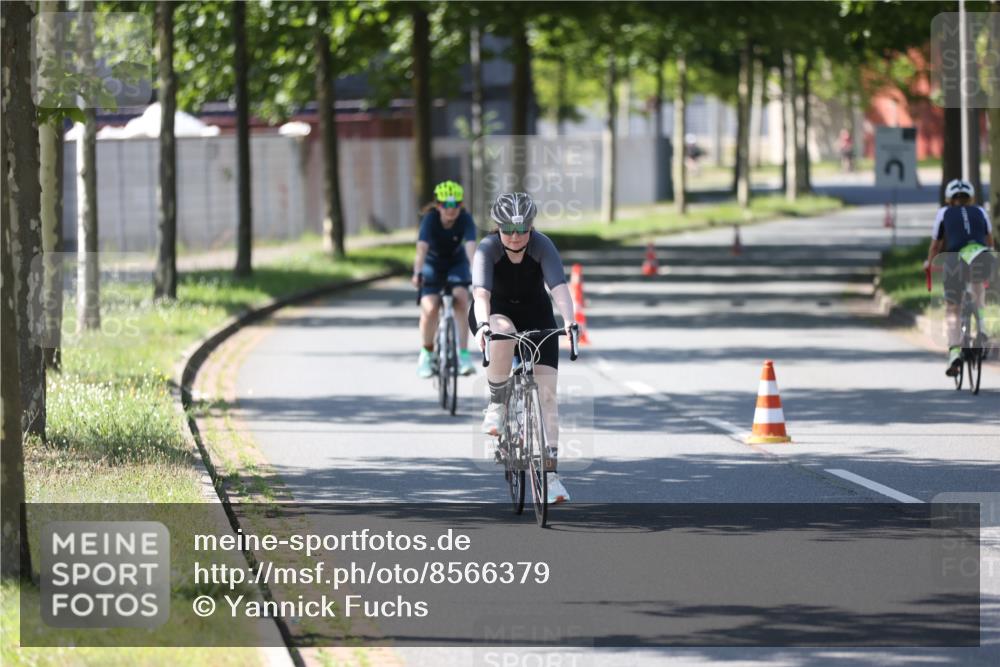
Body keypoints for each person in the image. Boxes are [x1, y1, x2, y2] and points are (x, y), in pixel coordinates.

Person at [469, 192, 575, 504]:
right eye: (508, 230)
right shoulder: (487, 249)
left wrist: (570, 321)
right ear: (497, 227)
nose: (515, 236)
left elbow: (559, 288)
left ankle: (550, 475)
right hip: (495, 312)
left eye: (522, 229)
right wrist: (483, 325)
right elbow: (481, 295)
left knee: (548, 397)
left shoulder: (542, 245)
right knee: (504, 332)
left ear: (531, 227)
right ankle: (497, 404)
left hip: (536, 313)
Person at [924, 179, 995, 376]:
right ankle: (982, 327)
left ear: (949, 199)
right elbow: (990, 241)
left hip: (955, 260)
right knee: (978, 290)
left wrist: (929, 264)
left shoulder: (943, 213)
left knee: (953, 308)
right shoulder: (980, 211)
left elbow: (935, 246)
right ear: (971, 197)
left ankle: (955, 352)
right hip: (981, 255)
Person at [412, 180, 478, 378]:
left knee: (462, 298)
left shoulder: (465, 219)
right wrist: (417, 272)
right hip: (432, 264)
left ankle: (464, 355)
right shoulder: (430, 219)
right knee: (430, 307)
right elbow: (422, 248)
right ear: (438, 205)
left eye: (455, 204)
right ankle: (426, 353)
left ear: (461, 205)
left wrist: (477, 273)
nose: (451, 209)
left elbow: (471, 246)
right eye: (446, 204)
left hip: (456, 263)